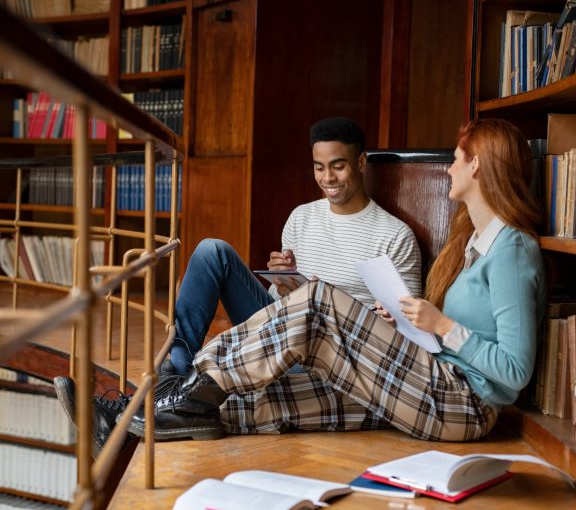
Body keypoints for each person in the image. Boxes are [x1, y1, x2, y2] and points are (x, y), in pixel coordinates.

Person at [122, 117, 547, 441]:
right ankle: (136, 412)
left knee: (319, 298)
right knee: (263, 400)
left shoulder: (512, 249)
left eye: (456, 158)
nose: (448, 169)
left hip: (461, 403)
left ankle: (184, 387)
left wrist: (441, 325)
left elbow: (515, 371)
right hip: (429, 378)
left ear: (477, 165)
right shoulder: (473, 244)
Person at [53, 116, 422, 453]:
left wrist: (368, 313)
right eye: (319, 167)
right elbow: (282, 303)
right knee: (212, 250)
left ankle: (129, 412)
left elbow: (407, 334)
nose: (328, 178)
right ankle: (172, 381)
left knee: (306, 310)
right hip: (283, 329)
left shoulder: (394, 236)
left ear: (360, 162)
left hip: (329, 359)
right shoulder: (301, 217)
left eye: (338, 166)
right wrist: (284, 278)